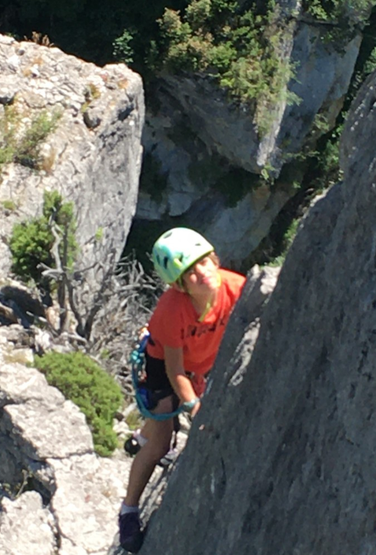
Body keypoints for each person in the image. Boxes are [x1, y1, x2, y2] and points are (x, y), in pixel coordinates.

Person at [118, 227, 246, 552]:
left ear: (214, 258)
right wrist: (192, 405)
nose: (202, 274)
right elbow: (174, 371)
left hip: (201, 363)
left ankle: (141, 436)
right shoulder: (171, 311)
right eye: (190, 274)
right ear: (179, 285)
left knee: (162, 421)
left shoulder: (236, 287)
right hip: (166, 366)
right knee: (161, 442)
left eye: (204, 263)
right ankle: (129, 511)